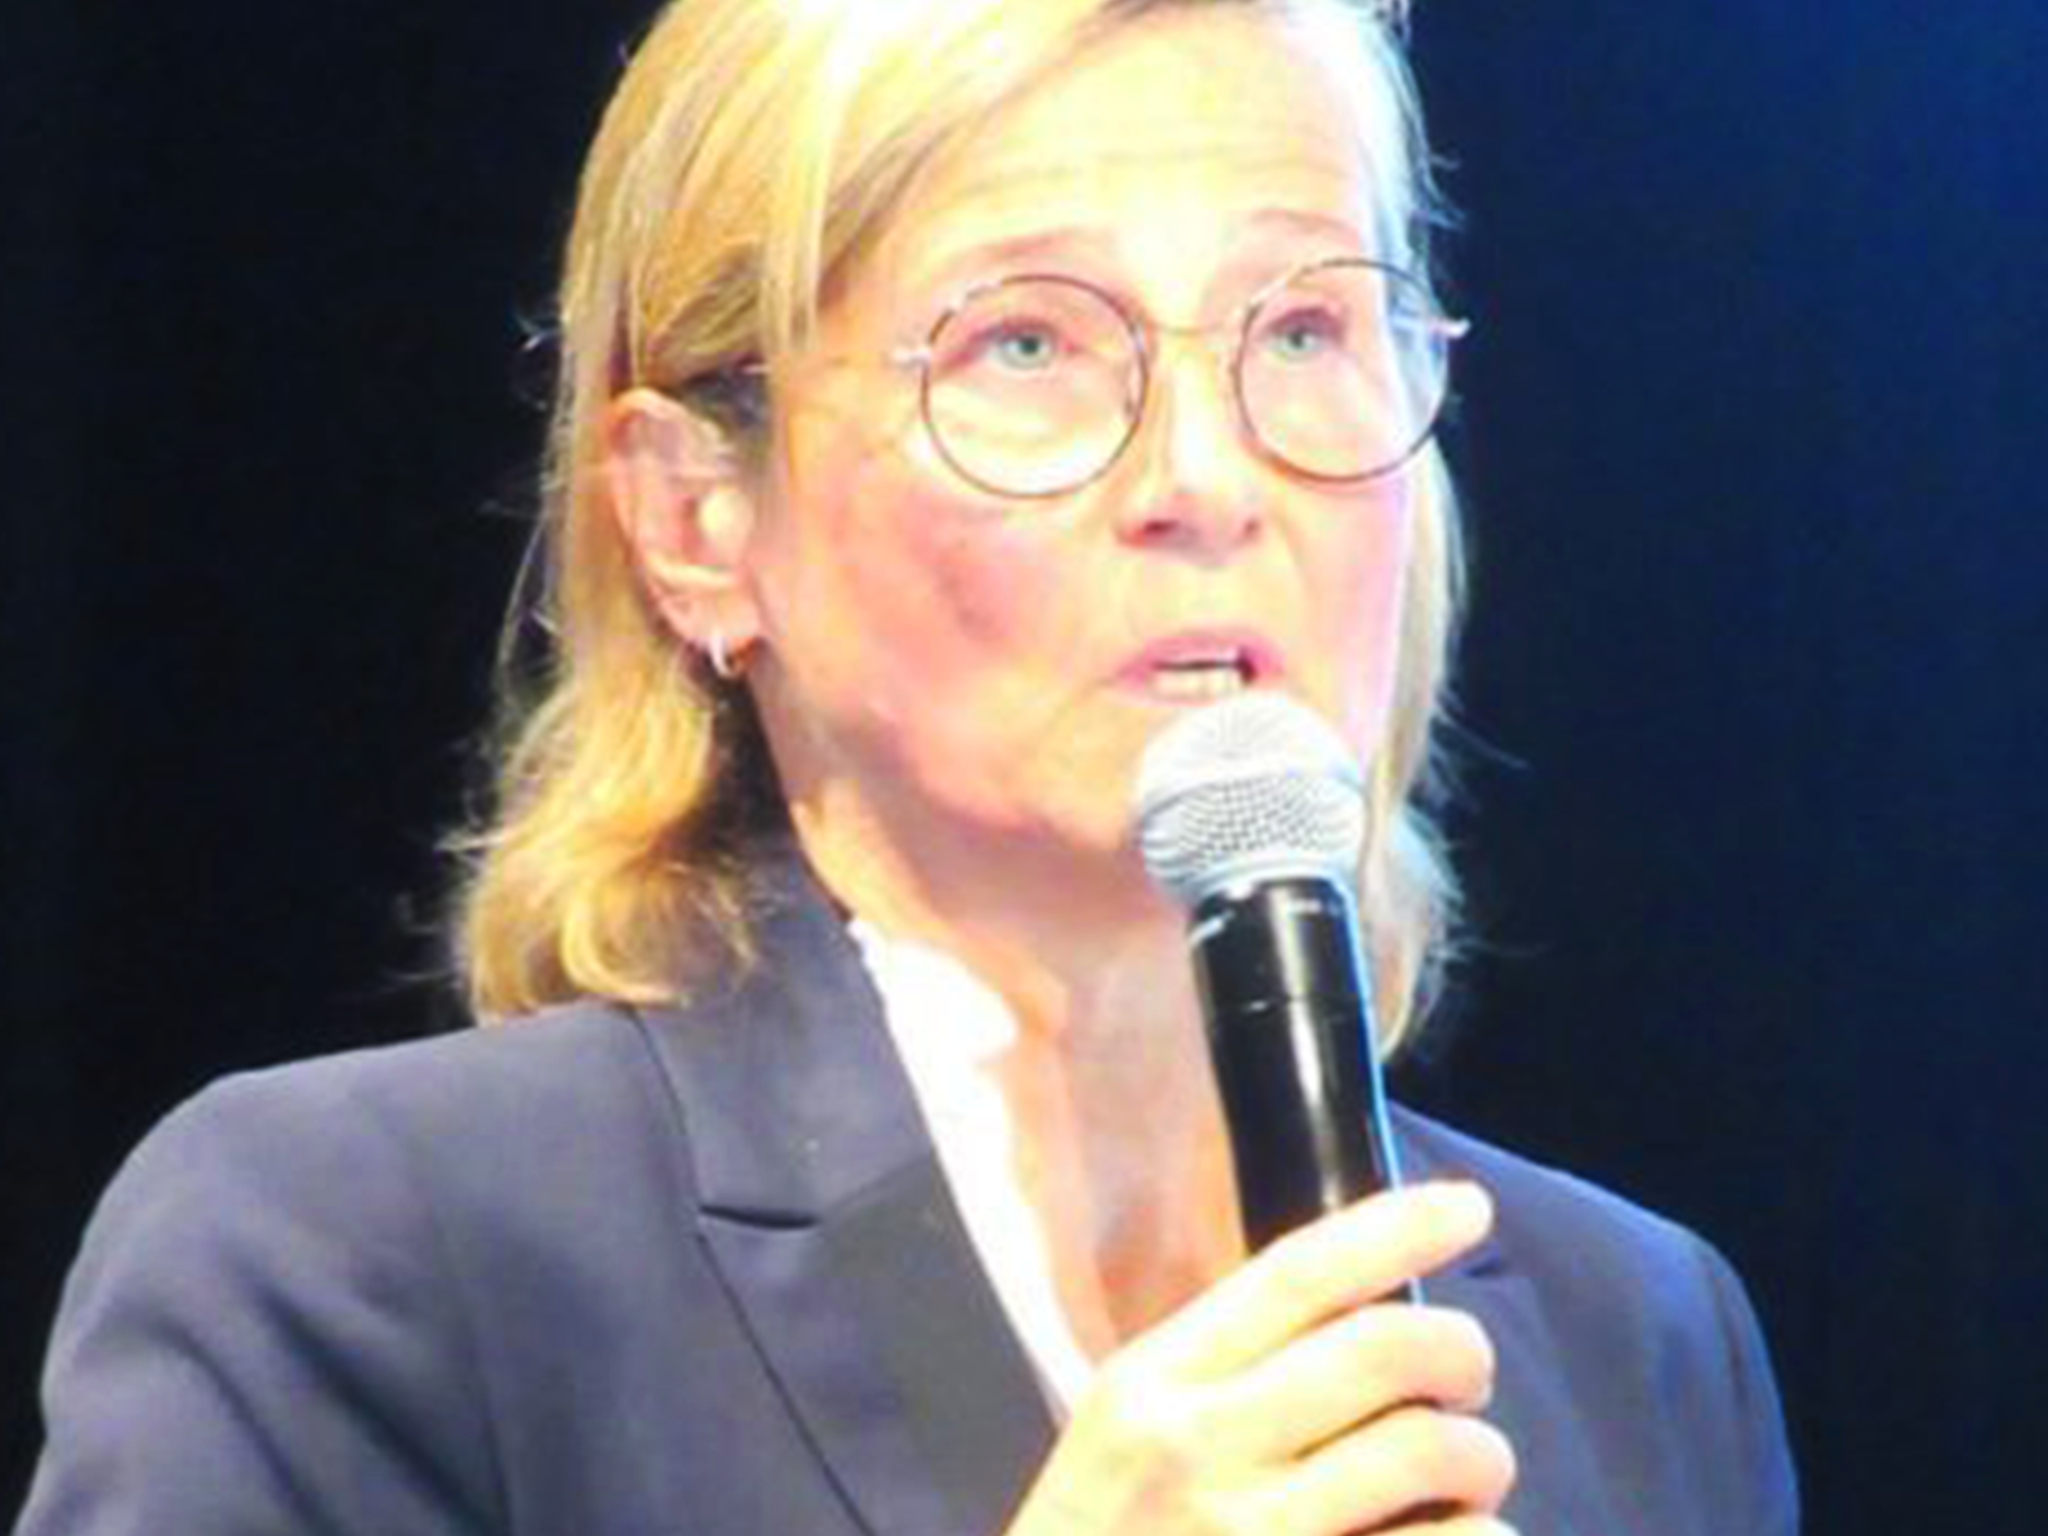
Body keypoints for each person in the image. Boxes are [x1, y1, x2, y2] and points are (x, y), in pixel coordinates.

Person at [16, 1, 1801, 1533]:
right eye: (1026, 344)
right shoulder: (375, 1252)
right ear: (698, 519)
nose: (1207, 475)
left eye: (1305, 331)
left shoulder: (1633, 1339)